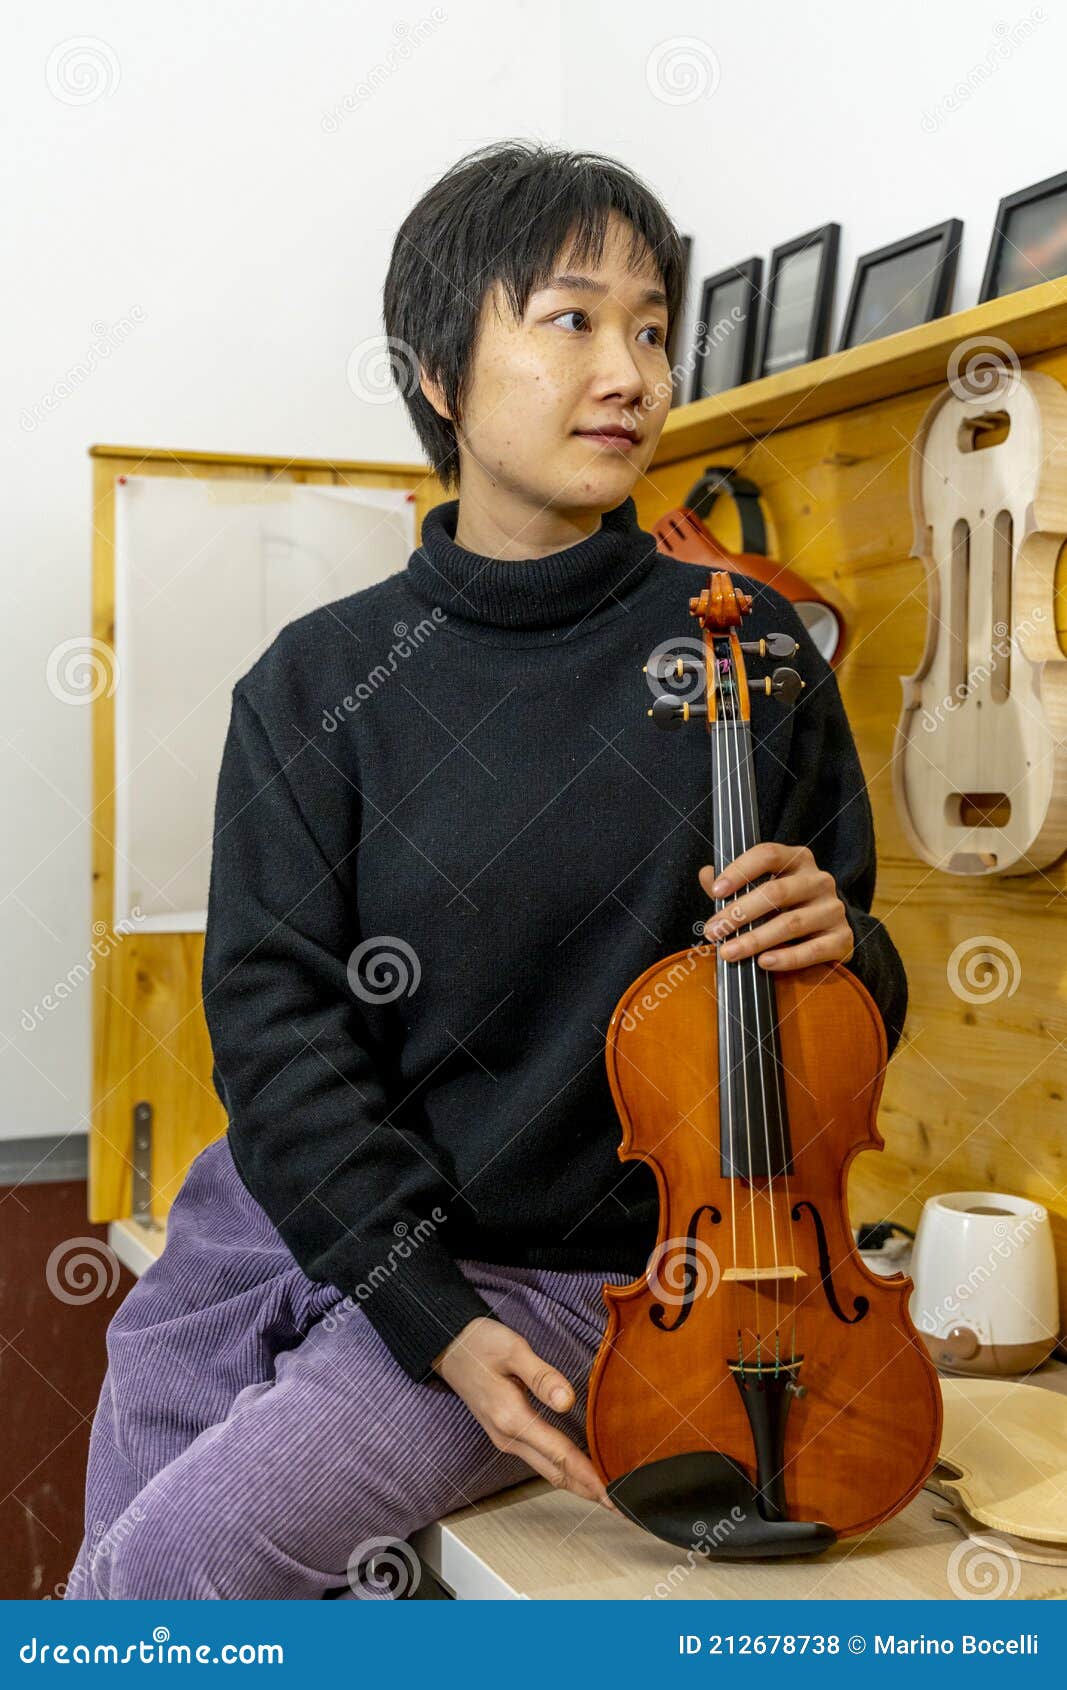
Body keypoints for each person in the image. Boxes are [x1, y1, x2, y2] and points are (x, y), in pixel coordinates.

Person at [65, 140, 907, 1600]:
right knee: (116, 1543)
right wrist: (409, 1300)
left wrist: (846, 946)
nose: (633, 368)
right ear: (442, 374)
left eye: (653, 326)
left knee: (172, 1573)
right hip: (288, 1209)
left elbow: (851, 990)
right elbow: (275, 1035)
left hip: (578, 1272)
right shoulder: (315, 681)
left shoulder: (755, 658)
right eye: (574, 319)